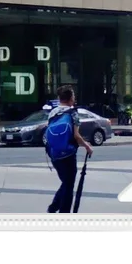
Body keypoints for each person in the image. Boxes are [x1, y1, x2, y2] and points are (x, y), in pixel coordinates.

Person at [44, 85, 93, 214]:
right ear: (71, 98)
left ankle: (54, 207)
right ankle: (63, 212)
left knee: (66, 182)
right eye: (73, 95)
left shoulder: (53, 113)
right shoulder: (73, 113)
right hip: (68, 155)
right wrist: (87, 146)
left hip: (54, 154)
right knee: (68, 184)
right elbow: (76, 136)